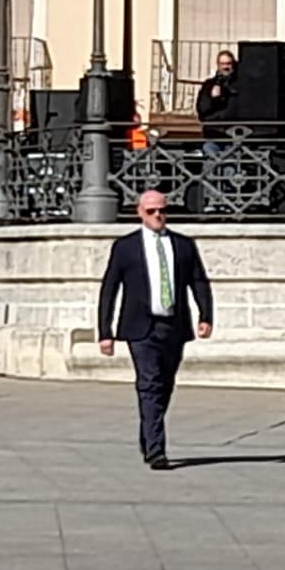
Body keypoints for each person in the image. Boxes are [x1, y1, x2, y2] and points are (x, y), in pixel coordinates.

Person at [97, 190, 215, 470]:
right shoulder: (125, 247)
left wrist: (205, 314)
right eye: (151, 211)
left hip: (173, 325)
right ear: (140, 212)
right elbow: (109, 289)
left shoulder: (183, 245)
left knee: (165, 385)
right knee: (149, 384)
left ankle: (148, 434)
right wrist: (105, 331)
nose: (157, 215)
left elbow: (198, 281)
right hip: (140, 327)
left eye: (161, 210)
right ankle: (156, 450)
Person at [195, 49, 238, 133]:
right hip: (213, 133)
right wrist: (213, 99)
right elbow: (202, 111)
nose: (226, 67)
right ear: (218, 65)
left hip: (233, 135)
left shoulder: (239, 85)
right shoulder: (209, 85)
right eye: (222, 64)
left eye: (228, 63)